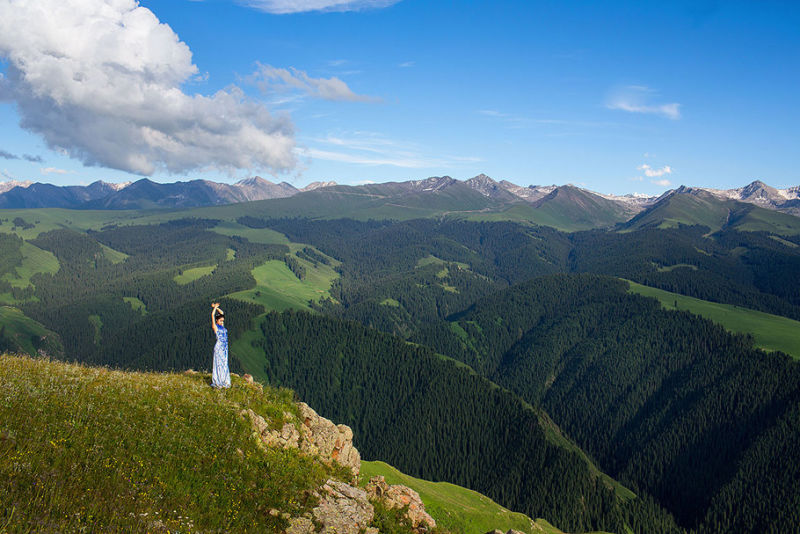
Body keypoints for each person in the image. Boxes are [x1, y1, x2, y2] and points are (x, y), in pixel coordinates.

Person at [210, 302, 230, 389]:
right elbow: (212, 314)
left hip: (224, 348)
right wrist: (214, 308)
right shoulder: (216, 327)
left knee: (224, 364)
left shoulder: (222, 326)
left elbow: (222, 313)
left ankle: (224, 380)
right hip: (219, 347)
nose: (222, 322)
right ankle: (218, 381)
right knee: (218, 364)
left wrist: (216, 307)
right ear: (217, 320)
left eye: (223, 321)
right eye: (221, 321)